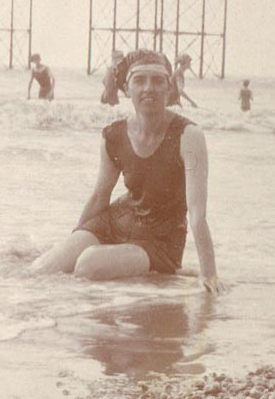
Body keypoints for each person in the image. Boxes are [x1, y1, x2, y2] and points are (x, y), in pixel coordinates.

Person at [31, 49, 224, 294]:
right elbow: (100, 195)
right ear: (126, 88)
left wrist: (210, 275)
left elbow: (197, 213)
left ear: (168, 87)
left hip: (160, 239)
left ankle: (167, 270)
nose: (148, 88)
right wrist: (74, 239)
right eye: (139, 80)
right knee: (42, 270)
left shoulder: (189, 136)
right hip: (115, 222)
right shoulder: (113, 135)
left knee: (88, 265)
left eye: (157, 80)